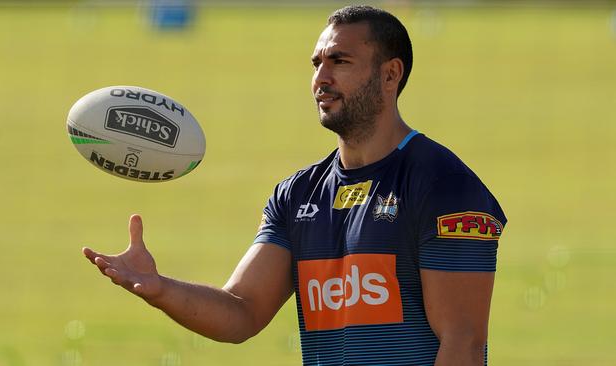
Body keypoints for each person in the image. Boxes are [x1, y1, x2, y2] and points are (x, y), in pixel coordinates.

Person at [83, 5, 506, 366]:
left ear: (390, 74)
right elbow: (242, 311)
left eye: (339, 61)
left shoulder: (443, 186)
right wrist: (159, 288)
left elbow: (463, 345)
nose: (321, 77)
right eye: (316, 63)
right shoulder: (298, 195)